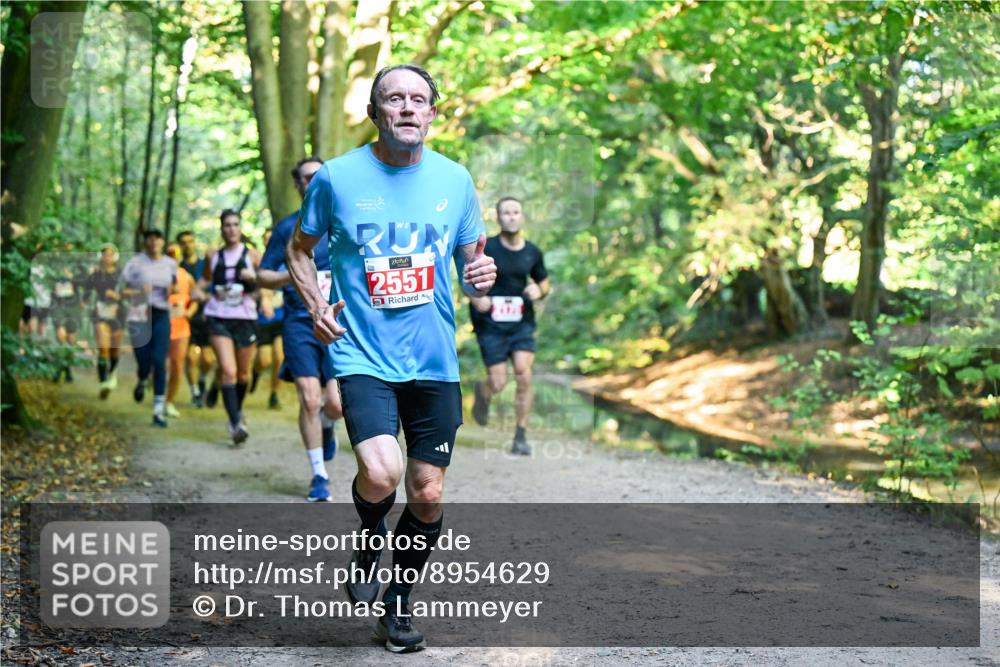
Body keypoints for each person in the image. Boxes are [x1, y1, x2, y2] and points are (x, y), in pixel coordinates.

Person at [287, 64, 497, 653]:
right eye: (393, 99)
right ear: (377, 112)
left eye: (418, 99)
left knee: (427, 492)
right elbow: (298, 249)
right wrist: (314, 305)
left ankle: (398, 607)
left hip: (434, 360)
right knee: (381, 474)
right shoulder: (336, 177)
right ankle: (370, 531)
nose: (406, 107)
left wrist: (481, 274)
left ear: (432, 112)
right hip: (362, 353)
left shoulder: (456, 180)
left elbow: (472, 265)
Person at [258, 157, 343, 503]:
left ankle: (328, 425)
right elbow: (263, 275)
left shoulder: (345, 222)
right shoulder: (287, 228)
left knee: (335, 404)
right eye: (306, 178)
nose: (313, 182)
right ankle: (319, 475)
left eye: (319, 176)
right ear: (298, 185)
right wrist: (293, 273)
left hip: (340, 321)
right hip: (299, 321)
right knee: (309, 397)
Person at [469, 196, 551, 455]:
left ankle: (520, 436)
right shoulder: (488, 248)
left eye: (516, 212)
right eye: (506, 212)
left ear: (522, 216)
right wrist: (476, 298)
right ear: (498, 217)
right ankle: (483, 392)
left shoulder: (532, 252)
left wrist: (539, 290)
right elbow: (468, 279)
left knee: (524, 373)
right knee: (499, 383)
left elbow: (544, 283)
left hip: (521, 323)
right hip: (490, 323)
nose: (511, 216)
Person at [198, 209, 261, 445]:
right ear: (221, 228)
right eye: (227, 225)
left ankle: (237, 409)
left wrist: (253, 277)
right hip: (219, 316)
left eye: (235, 224)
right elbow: (204, 281)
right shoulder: (213, 256)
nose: (231, 229)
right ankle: (235, 423)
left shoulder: (253, 255)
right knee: (229, 371)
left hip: (245, 318)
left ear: (240, 227)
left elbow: (265, 282)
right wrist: (198, 292)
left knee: (244, 375)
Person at [120, 229, 177, 427]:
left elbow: (176, 288)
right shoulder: (135, 263)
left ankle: (158, 411)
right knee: (143, 359)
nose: (154, 242)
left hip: (161, 315)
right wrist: (138, 291)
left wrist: (171, 291)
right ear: (145, 242)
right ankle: (143, 378)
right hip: (139, 315)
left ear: (162, 242)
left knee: (159, 361)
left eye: (157, 239)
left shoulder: (170, 264)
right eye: (150, 239)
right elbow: (120, 291)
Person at [177, 230, 216, 408]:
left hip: (207, 317)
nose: (187, 245)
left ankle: (201, 380)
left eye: (190, 241)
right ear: (180, 245)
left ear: (194, 243)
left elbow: (214, 286)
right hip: (185, 319)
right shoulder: (177, 268)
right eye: (183, 242)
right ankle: (195, 392)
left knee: (208, 359)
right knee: (191, 358)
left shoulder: (204, 265)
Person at [85, 243, 125, 399]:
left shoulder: (122, 274)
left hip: (118, 314)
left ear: (115, 257)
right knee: (103, 348)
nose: (107, 257)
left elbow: (132, 291)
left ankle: (112, 374)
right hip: (101, 313)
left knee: (114, 349)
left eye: (110, 254)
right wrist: (83, 302)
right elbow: (87, 291)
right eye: (104, 254)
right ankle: (103, 383)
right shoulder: (95, 275)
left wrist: (119, 296)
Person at [252, 228, 285, 410]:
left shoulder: (286, 260)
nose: (269, 241)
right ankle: (255, 372)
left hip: (281, 319)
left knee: (279, 357)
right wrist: (263, 296)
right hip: (262, 321)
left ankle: (274, 394)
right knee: (264, 361)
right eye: (266, 239)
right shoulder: (259, 262)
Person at [165, 243, 199, 418]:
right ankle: (158, 396)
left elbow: (196, 298)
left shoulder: (186, 277)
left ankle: (169, 402)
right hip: (161, 326)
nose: (173, 257)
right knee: (163, 365)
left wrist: (189, 312)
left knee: (177, 365)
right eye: (169, 254)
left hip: (181, 327)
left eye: (175, 254)